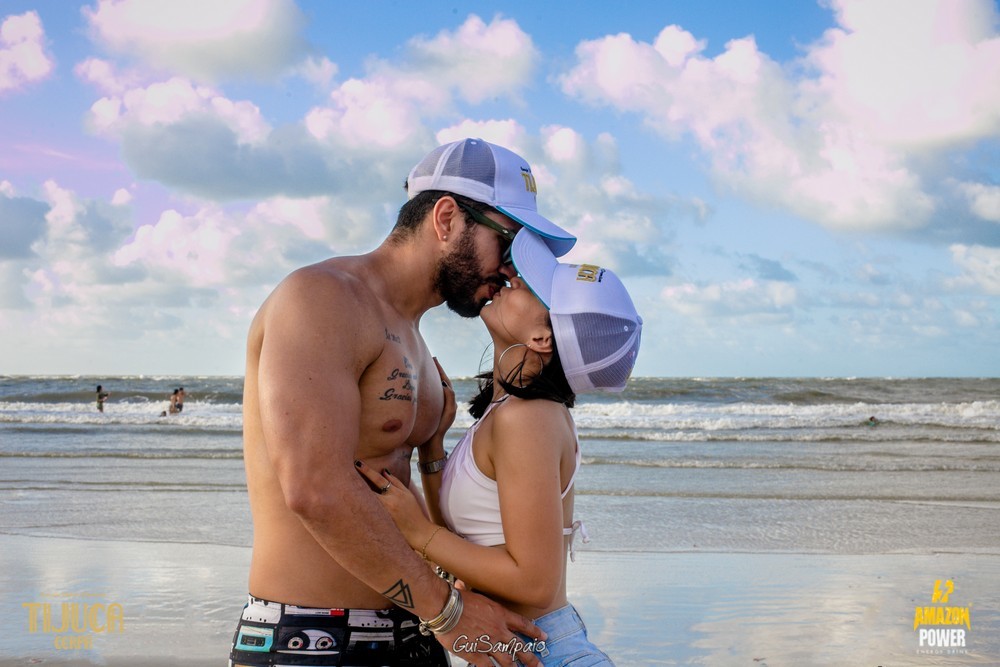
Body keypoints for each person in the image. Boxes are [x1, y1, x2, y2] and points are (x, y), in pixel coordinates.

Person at [232, 138, 577, 667]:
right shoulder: (322, 298)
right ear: (447, 219)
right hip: (314, 636)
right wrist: (448, 612)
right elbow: (315, 488)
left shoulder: (412, 337)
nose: (511, 270)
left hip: (417, 632)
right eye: (508, 244)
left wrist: (434, 453)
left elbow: (391, 493)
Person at [357, 230, 643, 666]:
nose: (512, 277)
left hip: (543, 651)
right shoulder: (508, 410)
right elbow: (465, 542)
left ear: (543, 338)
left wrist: (417, 532)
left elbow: (535, 583)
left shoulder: (527, 417)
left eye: (530, 285)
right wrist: (433, 450)